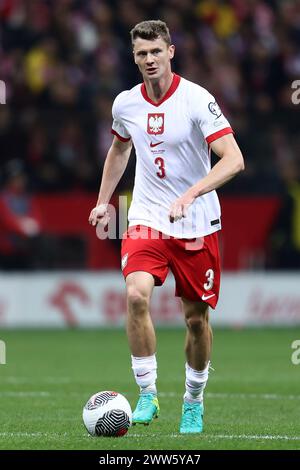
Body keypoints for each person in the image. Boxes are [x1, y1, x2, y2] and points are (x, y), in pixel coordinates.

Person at [89, 20, 244, 434]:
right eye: (141, 53)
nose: (149, 59)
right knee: (136, 295)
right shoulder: (125, 103)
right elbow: (119, 150)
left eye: (156, 51)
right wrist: (104, 202)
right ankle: (147, 393)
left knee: (196, 320)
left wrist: (191, 193)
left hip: (196, 221)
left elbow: (233, 159)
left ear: (171, 51)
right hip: (147, 217)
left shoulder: (196, 99)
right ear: (134, 57)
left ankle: (193, 401)